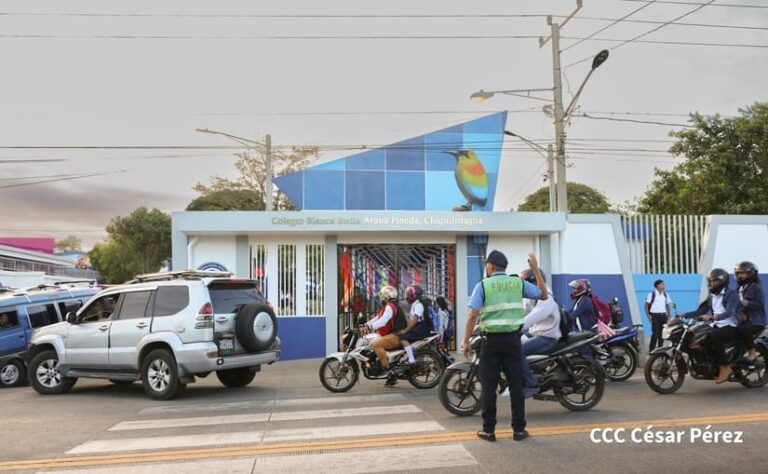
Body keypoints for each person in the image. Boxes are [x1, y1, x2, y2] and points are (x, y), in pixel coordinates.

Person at [462, 250, 547, 443]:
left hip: (490, 343)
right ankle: (519, 430)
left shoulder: (483, 285)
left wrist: (466, 341)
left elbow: (472, 315)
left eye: (486, 264)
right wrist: (535, 269)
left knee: (489, 387)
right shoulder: (518, 283)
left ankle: (489, 431)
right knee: (516, 386)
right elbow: (543, 295)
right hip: (513, 342)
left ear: (490, 266)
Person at [681, 268, 740, 383]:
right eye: (710, 281)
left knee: (714, 335)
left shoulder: (731, 293)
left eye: (715, 281)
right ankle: (710, 365)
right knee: (700, 338)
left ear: (723, 281)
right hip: (716, 324)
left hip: (731, 325)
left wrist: (714, 317)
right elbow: (701, 310)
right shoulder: (711, 296)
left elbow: (730, 312)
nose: (712, 283)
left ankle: (725, 367)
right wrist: (684, 315)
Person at [519, 268, 560, 398]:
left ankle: (531, 384)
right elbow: (522, 313)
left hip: (547, 337)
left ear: (533, 282)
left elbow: (536, 315)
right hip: (536, 333)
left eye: (524, 283)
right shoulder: (532, 297)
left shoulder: (546, 297)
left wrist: (515, 327)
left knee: (517, 351)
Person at [364, 286, 407, 375]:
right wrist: (366, 325)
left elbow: (384, 320)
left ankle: (386, 368)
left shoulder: (390, 306)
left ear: (386, 296)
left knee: (377, 345)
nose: (381, 297)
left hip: (397, 335)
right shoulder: (390, 305)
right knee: (375, 341)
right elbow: (378, 317)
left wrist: (370, 327)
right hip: (395, 334)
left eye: (382, 295)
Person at [733, 261, 766, 361]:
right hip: (740, 319)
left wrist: (745, 303)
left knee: (743, 327)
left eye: (743, 273)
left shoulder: (756, 288)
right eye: (738, 273)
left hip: (755, 321)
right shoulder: (738, 289)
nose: (740, 276)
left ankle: (752, 352)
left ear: (751, 274)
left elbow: (760, 304)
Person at [646, 279, 673, 351]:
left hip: (663, 316)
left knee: (662, 333)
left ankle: (660, 349)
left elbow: (667, 305)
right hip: (655, 316)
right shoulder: (652, 294)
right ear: (657, 286)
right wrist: (648, 316)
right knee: (655, 334)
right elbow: (646, 305)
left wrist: (669, 315)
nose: (664, 285)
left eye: (663, 284)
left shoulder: (665, 294)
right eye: (662, 284)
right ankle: (651, 350)